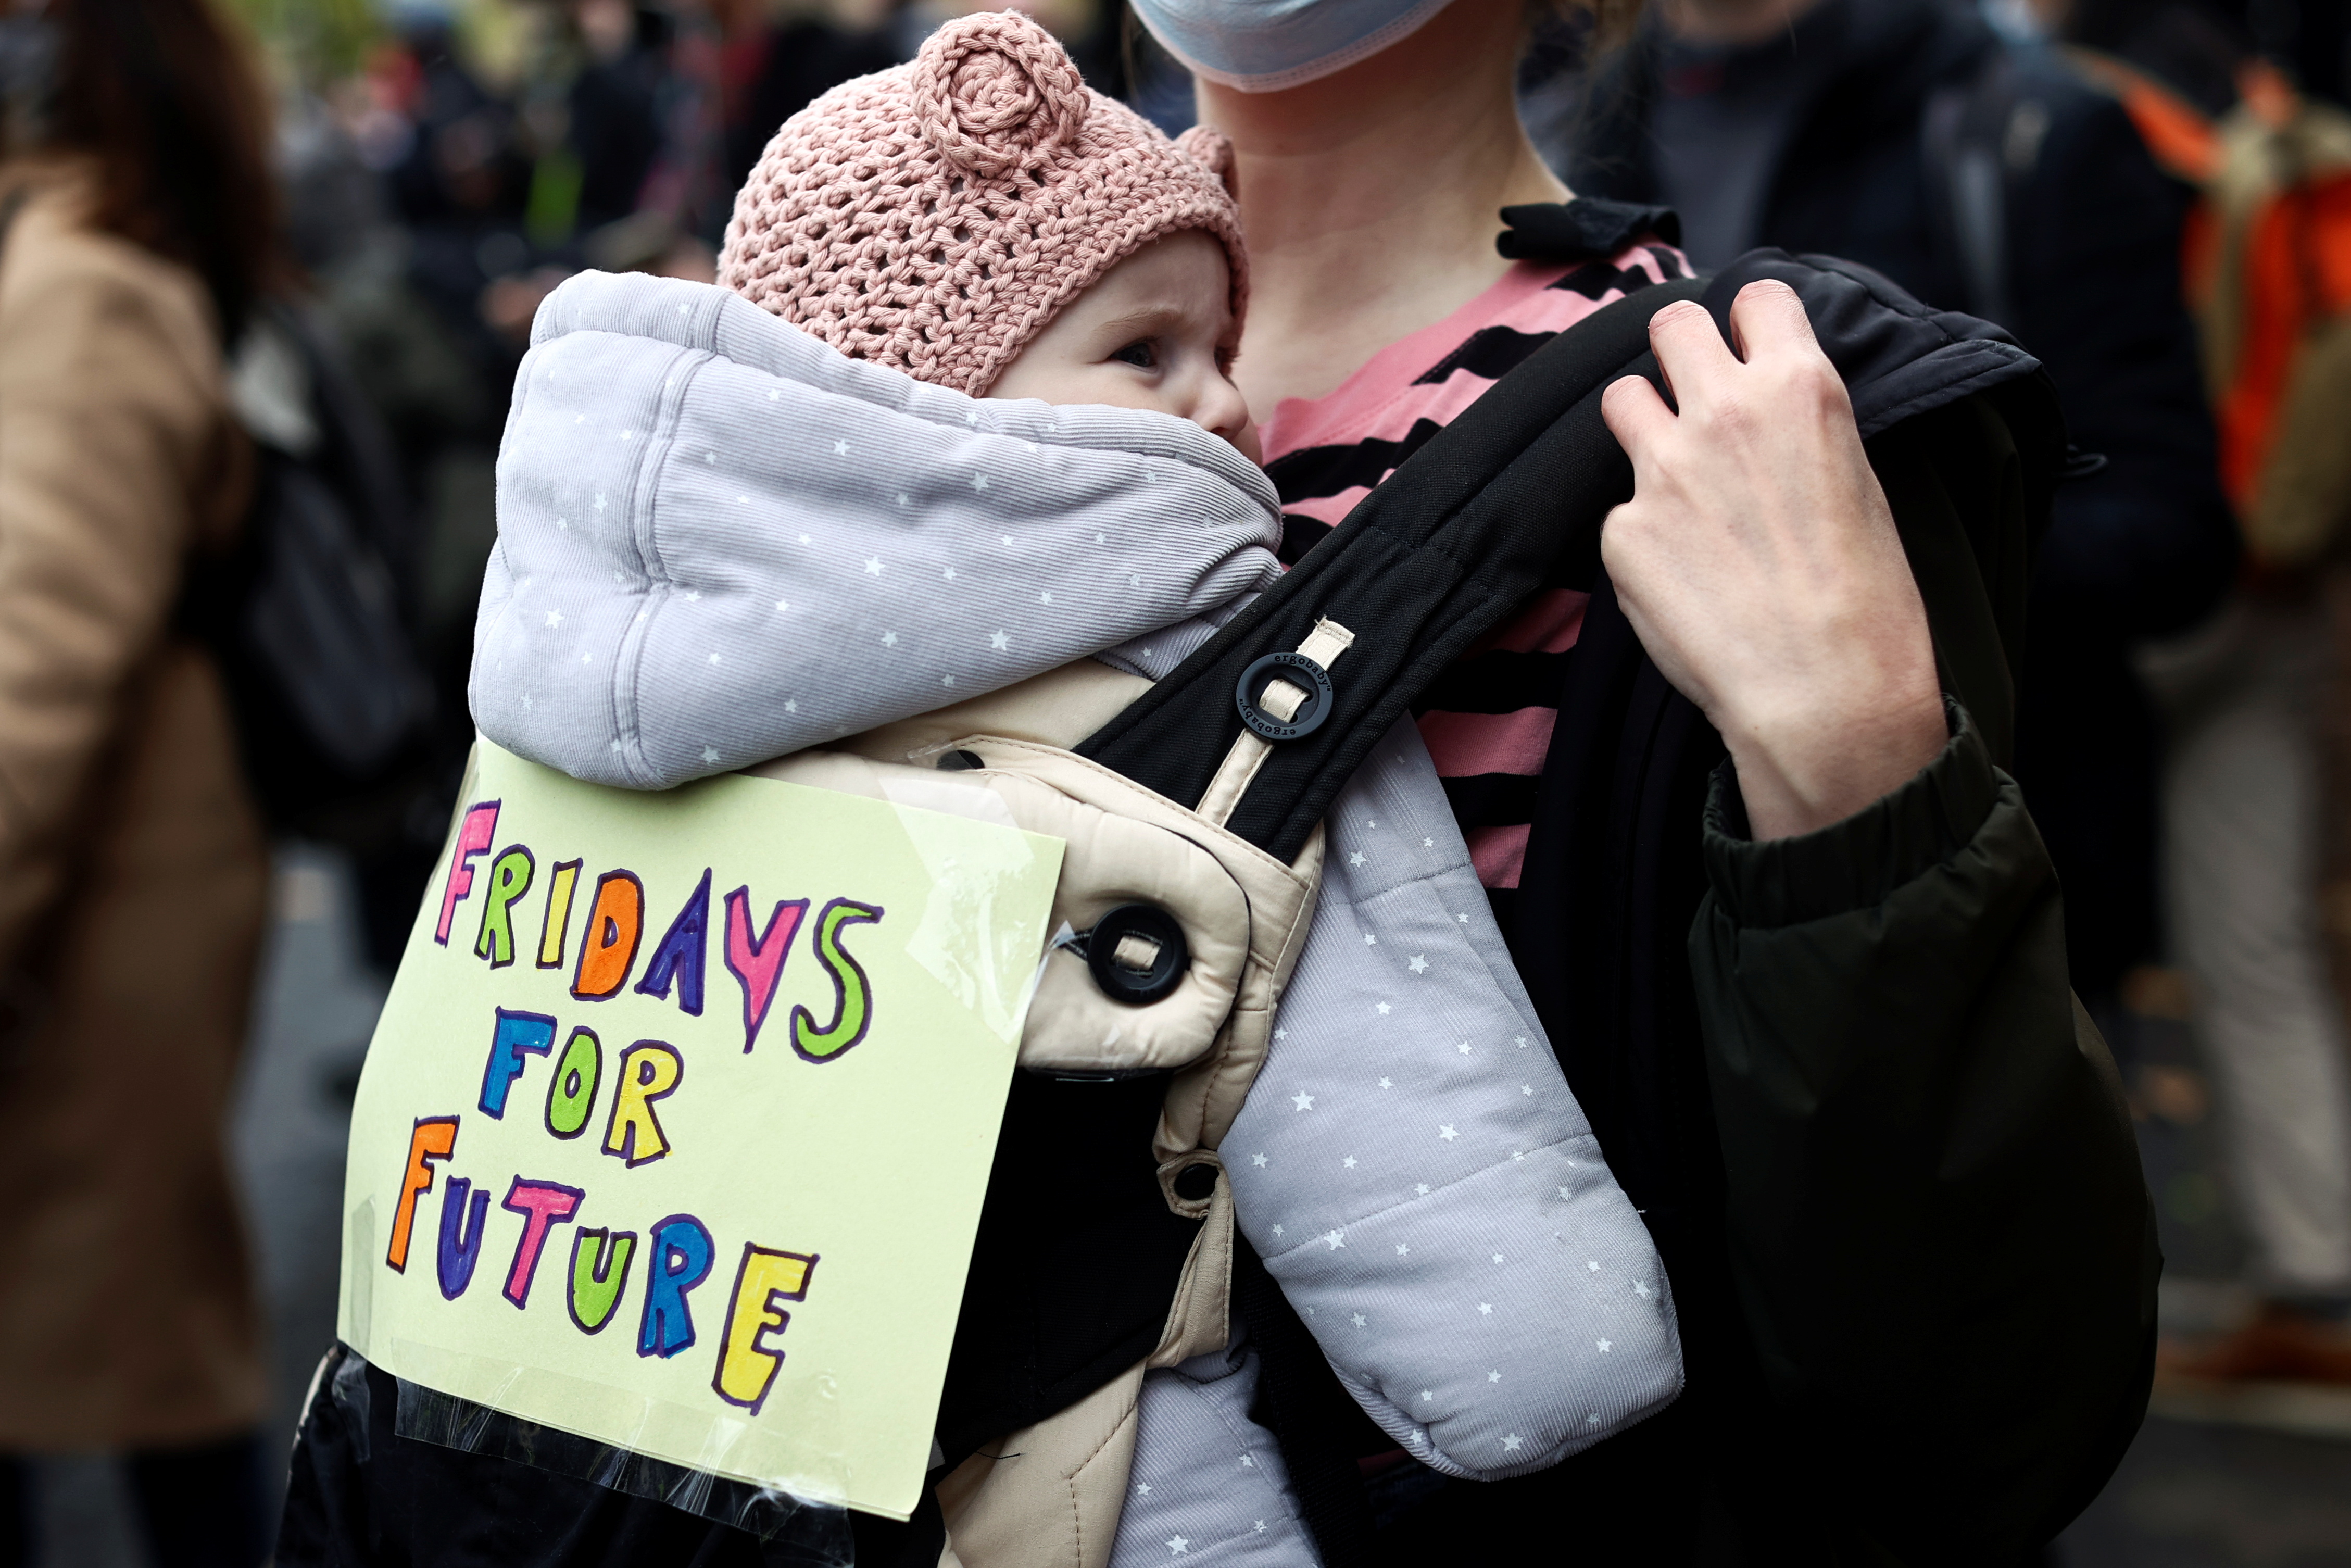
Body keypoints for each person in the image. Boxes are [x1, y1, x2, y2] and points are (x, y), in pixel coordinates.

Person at [295, 0, 2157, 1562]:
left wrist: (1857, 782)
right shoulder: (832, 365)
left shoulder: (1725, 438)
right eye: (1147, 351)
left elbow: (1970, 1411)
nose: (1208, 398)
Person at [1549, 0, 2240, 1006]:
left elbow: (2173, 534)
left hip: (1982, 864)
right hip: (1634, 897)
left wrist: (1872, 556)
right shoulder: (1566, 132)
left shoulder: (2022, 127)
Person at [0, 0, 278, 1562]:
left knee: (136, 1355)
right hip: (105, 893)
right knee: (132, 1348)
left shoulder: (81, 284)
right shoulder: (94, 254)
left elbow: (34, 662)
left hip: (88, 916)